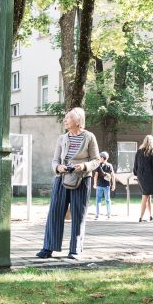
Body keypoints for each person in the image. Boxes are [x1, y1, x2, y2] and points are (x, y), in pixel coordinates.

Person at [35, 107, 100, 260]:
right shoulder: (62, 138)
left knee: (78, 214)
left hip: (82, 179)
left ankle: (75, 250)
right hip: (62, 179)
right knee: (55, 213)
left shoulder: (89, 137)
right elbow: (55, 160)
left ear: (78, 121)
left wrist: (84, 166)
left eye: (68, 118)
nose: (65, 120)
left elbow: (96, 160)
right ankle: (48, 247)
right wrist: (58, 167)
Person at [133, 134, 153, 222]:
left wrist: (136, 173)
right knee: (145, 196)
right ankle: (141, 217)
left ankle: (150, 215)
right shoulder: (152, 152)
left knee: (147, 196)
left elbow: (135, 165)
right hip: (149, 176)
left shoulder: (139, 151)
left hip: (140, 175)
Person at [93, 150, 115, 219]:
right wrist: (113, 184)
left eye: (100, 157)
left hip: (101, 185)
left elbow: (96, 176)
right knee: (107, 200)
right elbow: (113, 176)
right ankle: (108, 215)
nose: (99, 158)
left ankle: (98, 215)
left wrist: (95, 184)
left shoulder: (99, 165)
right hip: (106, 185)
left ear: (103, 158)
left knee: (99, 200)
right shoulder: (109, 165)